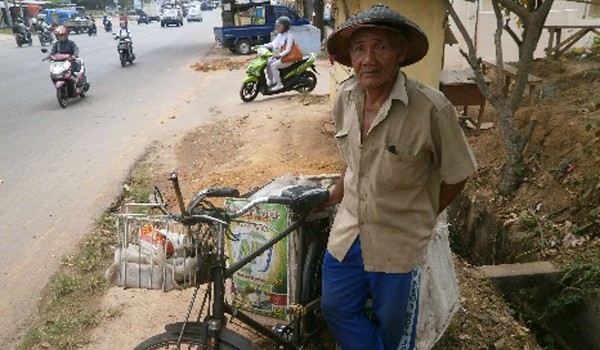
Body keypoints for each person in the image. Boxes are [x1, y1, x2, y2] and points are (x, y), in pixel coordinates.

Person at [321, 4, 478, 350]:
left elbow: (457, 175)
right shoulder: (345, 97)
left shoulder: (432, 109)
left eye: (380, 46)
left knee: (396, 334)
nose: (368, 59)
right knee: (334, 307)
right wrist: (332, 194)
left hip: (399, 244)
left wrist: (421, 215)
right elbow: (354, 163)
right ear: (350, 55)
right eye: (360, 48)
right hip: (349, 233)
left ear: (400, 52)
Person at [261, 16, 300, 91]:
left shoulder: (289, 36)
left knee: (273, 66)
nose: (278, 27)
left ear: (285, 27)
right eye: (277, 26)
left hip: (289, 58)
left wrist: (279, 55)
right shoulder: (280, 35)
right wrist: (262, 46)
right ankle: (272, 81)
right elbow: (273, 44)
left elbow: (288, 49)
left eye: (280, 26)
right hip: (282, 57)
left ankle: (279, 84)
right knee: (267, 63)